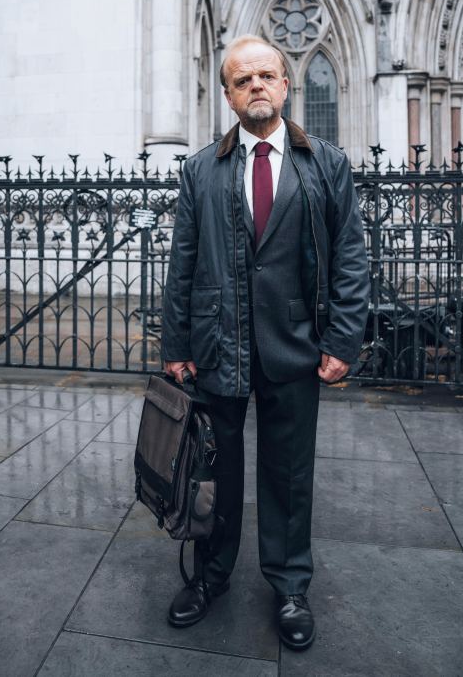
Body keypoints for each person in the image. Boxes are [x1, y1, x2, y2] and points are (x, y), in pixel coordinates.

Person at [161, 34, 370, 650]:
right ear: (227, 94)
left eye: (266, 75)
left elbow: (352, 259)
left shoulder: (326, 163)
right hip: (217, 345)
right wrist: (176, 344)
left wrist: (342, 341)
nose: (256, 86)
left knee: (288, 474)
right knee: (214, 472)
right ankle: (211, 577)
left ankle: (289, 585)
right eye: (242, 79)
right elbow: (182, 262)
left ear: (285, 84)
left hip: (296, 346)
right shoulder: (201, 169)